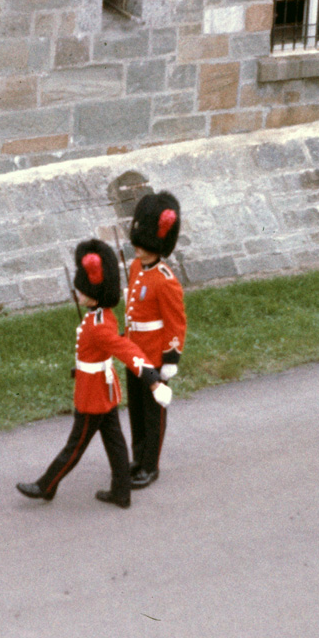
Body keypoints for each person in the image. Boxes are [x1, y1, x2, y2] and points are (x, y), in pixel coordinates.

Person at [16, 239, 172, 509]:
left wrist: (152, 380)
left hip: (94, 395)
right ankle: (121, 492)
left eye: (83, 289)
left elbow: (126, 350)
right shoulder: (103, 316)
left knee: (74, 446)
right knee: (115, 442)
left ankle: (46, 486)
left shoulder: (99, 325)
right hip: (102, 388)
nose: (78, 291)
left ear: (94, 293)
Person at [124, 188, 187, 490]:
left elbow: (176, 323)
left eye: (144, 243)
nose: (138, 247)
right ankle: (137, 459)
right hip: (133, 352)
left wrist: (170, 361)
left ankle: (150, 466)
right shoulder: (136, 267)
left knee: (152, 415)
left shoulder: (166, 280)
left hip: (153, 357)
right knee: (136, 412)